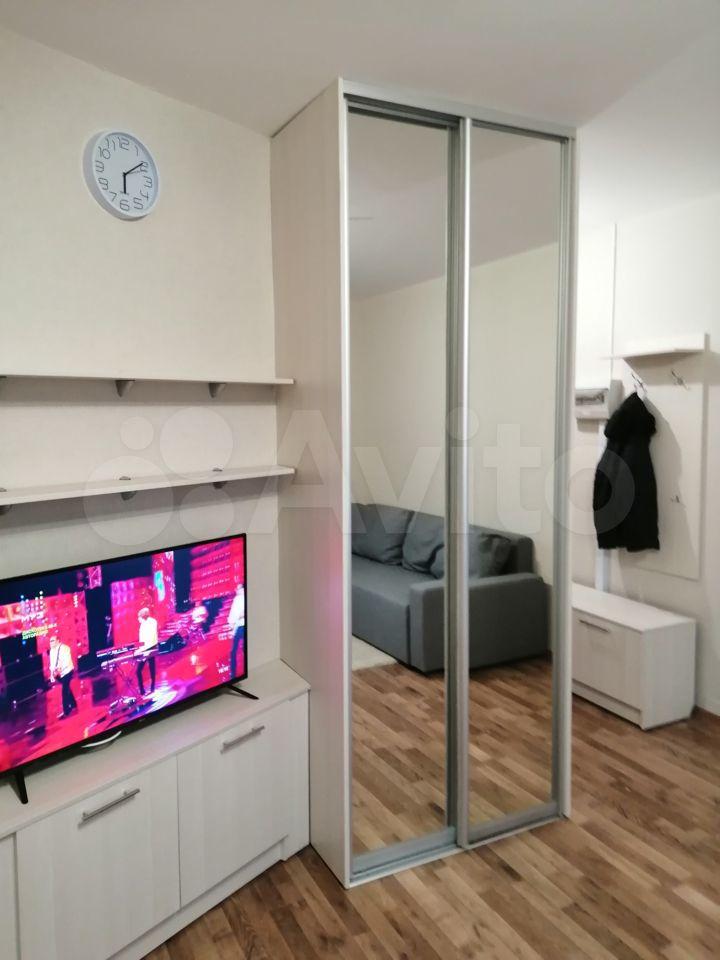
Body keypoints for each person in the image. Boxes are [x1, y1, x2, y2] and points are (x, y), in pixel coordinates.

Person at [49, 635, 78, 718]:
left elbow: (67, 662)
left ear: (58, 641)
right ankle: (74, 704)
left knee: (64, 690)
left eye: (53, 641)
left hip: (67, 671)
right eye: (50, 641)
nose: (51, 643)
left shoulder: (65, 648)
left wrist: (59, 669)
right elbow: (52, 664)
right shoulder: (52, 651)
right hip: (59, 674)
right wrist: (52, 675)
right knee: (67, 687)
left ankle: (66, 711)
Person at [136, 607, 159, 696]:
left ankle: (144, 690)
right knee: (151, 668)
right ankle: (149, 688)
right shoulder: (150, 622)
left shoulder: (148, 624)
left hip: (148, 648)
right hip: (149, 648)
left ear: (142, 617)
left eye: (139, 617)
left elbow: (148, 640)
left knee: (140, 670)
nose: (138, 619)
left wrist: (140, 650)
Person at [228, 583, 245, 678]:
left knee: (233, 650)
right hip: (243, 625)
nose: (236, 590)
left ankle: (233, 673)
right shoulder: (243, 597)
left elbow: (233, 615)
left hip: (239, 626)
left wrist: (231, 624)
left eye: (237, 588)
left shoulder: (238, 599)